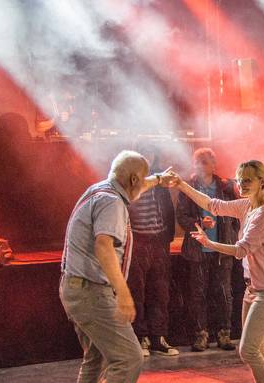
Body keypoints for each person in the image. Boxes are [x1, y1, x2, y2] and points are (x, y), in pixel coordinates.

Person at [59, 150, 175, 383]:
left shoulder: (100, 190)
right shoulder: (112, 203)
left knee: (96, 357)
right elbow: (104, 246)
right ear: (133, 179)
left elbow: (138, 188)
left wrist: (159, 180)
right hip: (91, 292)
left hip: (76, 289)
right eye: (143, 179)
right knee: (129, 358)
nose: (143, 185)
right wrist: (123, 293)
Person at [174, 160, 264, 383]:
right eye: (239, 180)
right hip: (254, 289)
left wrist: (210, 244)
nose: (241, 184)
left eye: (247, 180)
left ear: (262, 181)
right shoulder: (247, 206)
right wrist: (180, 184)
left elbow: (241, 250)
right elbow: (212, 204)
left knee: (248, 350)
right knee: (258, 347)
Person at [176, 148, 239, 352]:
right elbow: (182, 217)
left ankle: (224, 334)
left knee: (223, 294)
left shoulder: (225, 187)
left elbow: (237, 212)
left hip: (222, 250)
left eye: (205, 161)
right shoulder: (188, 187)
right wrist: (199, 223)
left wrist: (232, 233)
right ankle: (200, 335)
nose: (200, 166)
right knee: (198, 295)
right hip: (198, 250)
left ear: (214, 164)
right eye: (197, 161)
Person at [126, 145, 178, 357]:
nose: (148, 159)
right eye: (143, 156)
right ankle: (140, 338)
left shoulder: (159, 182)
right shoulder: (131, 182)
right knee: (136, 291)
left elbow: (168, 209)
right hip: (138, 241)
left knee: (160, 292)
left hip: (158, 241)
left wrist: (167, 237)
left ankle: (158, 337)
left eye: (150, 155)